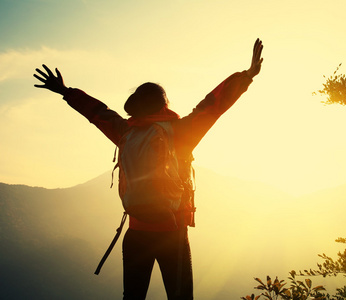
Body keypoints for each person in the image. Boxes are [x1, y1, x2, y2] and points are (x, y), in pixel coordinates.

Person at [33, 39, 263, 300]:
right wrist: (246, 77)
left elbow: (98, 112)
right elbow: (213, 105)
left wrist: (65, 90)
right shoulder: (181, 132)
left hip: (136, 231)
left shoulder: (124, 131)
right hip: (172, 234)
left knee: (133, 297)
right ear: (164, 104)